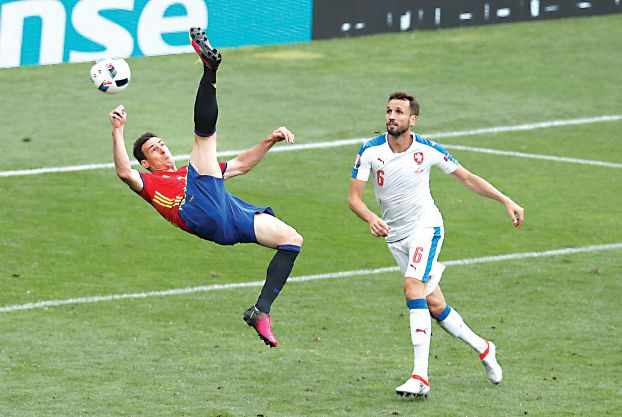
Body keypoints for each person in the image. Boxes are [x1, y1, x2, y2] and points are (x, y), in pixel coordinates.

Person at [108, 27, 303, 348]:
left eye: (163, 144)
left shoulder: (195, 170)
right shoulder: (149, 181)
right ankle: (209, 70)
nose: (163, 150)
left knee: (292, 240)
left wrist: (269, 139)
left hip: (227, 221)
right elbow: (123, 172)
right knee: (204, 140)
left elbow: (241, 166)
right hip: (196, 210)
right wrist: (118, 130)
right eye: (154, 150)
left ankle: (260, 311)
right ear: (146, 163)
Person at [348, 92, 524, 398]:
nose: (391, 116)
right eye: (389, 111)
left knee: (412, 288)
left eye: (399, 112)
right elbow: (354, 198)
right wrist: (369, 217)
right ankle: (484, 347)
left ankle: (420, 377)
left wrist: (505, 200)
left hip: (425, 229)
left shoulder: (428, 150)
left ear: (412, 120)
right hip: (395, 235)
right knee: (434, 304)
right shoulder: (370, 150)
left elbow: (467, 178)